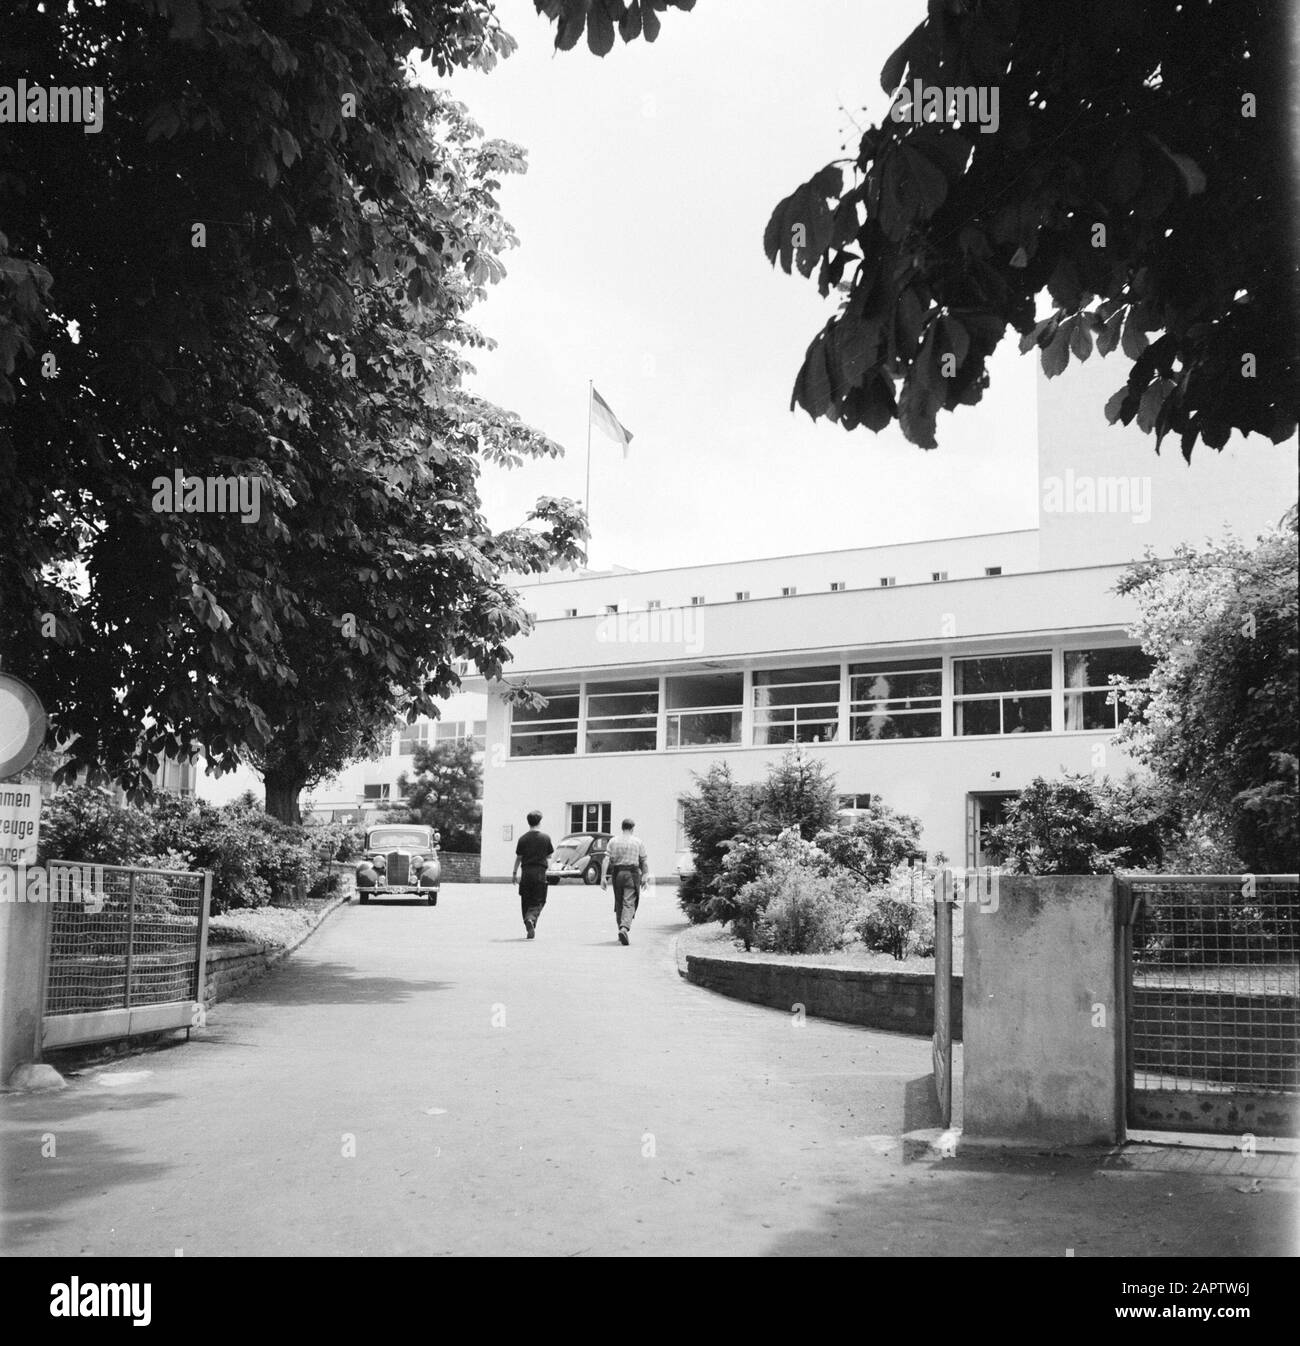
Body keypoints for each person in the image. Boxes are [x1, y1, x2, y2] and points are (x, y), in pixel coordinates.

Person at [601, 818, 648, 945]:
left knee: (619, 902)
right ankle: (624, 928)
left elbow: (606, 859)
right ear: (632, 828)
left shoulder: (613, 841)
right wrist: (645, 876)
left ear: (622, 828)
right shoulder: (638, 842)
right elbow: (643, 861)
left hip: (617, 874)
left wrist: (603, 877)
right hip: (632, 873)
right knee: (629, 902)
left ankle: (620, 932)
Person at [511, 810, 554, 939]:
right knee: (539, 899)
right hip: (540, 872)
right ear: (539, 822)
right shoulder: (545, 838)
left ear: (528, 822)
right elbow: (549, 855)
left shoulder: (522, 839)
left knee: (526, 899)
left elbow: (519, 857)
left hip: (526, 873)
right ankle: (531, 918)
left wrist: (514, 873)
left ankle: (528, 922)